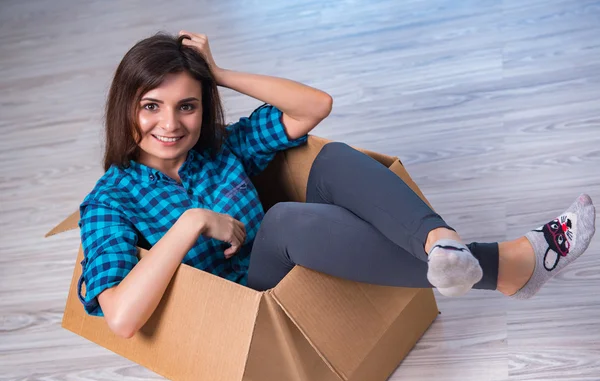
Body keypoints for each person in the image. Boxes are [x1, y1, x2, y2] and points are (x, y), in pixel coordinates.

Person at [78, 31, 596, 339]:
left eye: (186, 105)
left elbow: (313, 107)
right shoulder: (110, 201)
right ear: (125, 106)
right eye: (151, 106)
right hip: (241, 314)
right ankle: (507, 265)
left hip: (296, 265)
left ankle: (443, 243)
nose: (170, 124)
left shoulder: (216, 148)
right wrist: (193, 223)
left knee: (333, 161)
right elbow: (121, 317)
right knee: (286, 220)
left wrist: (219, 72)